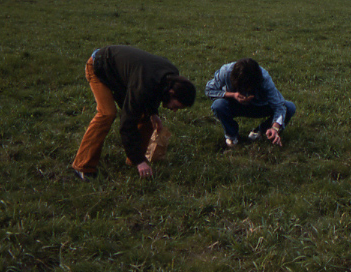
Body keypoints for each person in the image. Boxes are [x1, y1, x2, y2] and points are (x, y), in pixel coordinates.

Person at [72, 45, 196, 180]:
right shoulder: (142, 87)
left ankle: (133, 161)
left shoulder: (171, 77)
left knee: (147, 119)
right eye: (176, 105)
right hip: (100, 66)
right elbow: (127, 126)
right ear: (171, 93)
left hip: (123, 75)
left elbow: (156, 90)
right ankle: (82, 166)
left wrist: (153, 113)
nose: (174, 110)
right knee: (107, 113)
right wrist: (140, 162)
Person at [206, 58, 296, 148]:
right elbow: (209, 90)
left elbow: (279, 106)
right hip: (234, 104)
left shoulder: (265, 79)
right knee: (218, 105)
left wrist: (275, 128)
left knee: (289, 107)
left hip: (259, 106)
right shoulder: (226, 72)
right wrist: (232, 95)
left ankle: (261, 131)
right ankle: (232, 135)